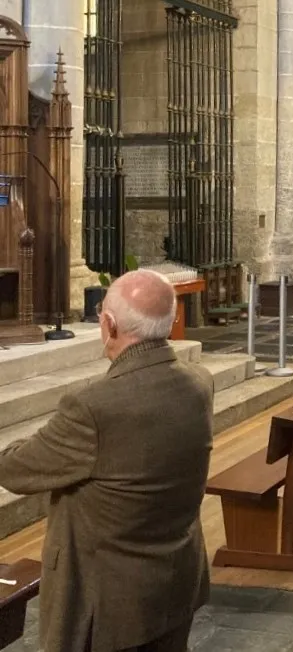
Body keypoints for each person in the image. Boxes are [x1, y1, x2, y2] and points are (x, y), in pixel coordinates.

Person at [0, 270, 212, 652]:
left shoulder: (94, 407)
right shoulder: (199, 383)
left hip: (110, 606)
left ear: (109, 325)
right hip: (175, 581)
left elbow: (16, 470)